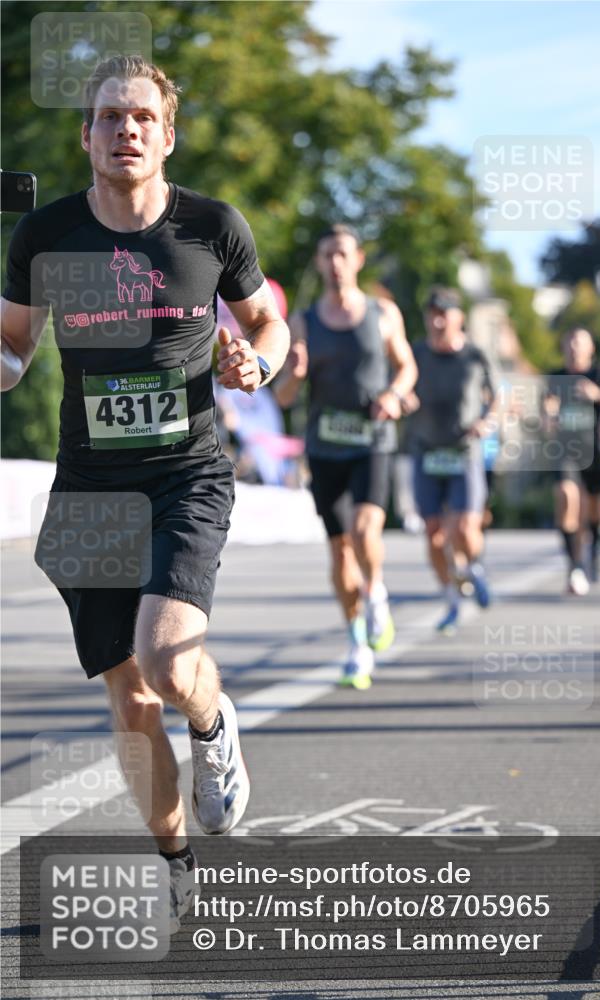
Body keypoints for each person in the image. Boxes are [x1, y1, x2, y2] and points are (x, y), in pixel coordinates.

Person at [0, 56, 289, 932]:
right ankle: (176, 865)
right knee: (128, 701)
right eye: (107, 117)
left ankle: (212, 723)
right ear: (86, 135)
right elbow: (13, 350)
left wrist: (257, 359)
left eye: (140, 118)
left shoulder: (211, 226)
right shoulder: (46, 236)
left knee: (166, 666)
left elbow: (269, 320)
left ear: (166, 135)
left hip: (184, 474)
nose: (124, 130)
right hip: (90, 486)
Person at [274, 224, 417, 689]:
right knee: (339, 550)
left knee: (364, 528)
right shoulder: (304, 321)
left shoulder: (383, 313)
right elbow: (283, 398)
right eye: (326, 255)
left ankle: (377, 595)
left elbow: (407, 366)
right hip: (325, 445)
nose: (335, 263)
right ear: (319, 263)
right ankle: (357, 642)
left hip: (373, 439)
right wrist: (294, 374)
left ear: (357, 260)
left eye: (342, 254)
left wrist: (395, 394)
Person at [407, 287, 495, 634]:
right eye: (432, 313)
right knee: (433, 534)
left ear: (459, 317)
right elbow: (400, 381)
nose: (437, 319)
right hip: (426, 450)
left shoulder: (474, 355)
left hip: (463, 451)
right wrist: (402, 399)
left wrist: (487, 420)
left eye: (444, 312)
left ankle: (474, 567)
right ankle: (451, 599)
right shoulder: (416, 353)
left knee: (463, 528)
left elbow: (496, 395)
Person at [544, 327, 600, 593]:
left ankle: (592, 554)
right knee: (566, 496)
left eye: (579, 343)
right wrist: (547, 415)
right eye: (570, 342)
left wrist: (599, 394)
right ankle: (574, 565)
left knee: (594, 509)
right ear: (564, 347)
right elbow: (546, 409)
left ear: (590, 349)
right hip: (566, 450)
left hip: (595, 451)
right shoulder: (556, 377)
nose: (574, 347)